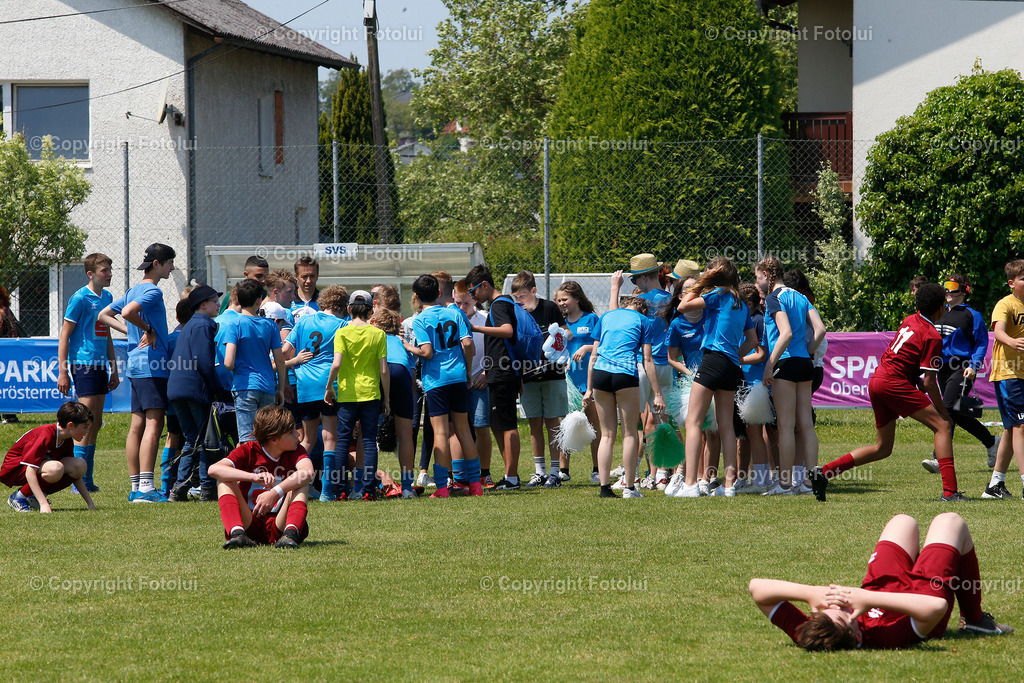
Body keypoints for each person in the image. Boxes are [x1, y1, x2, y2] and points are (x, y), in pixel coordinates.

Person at [749, 513, 1012, 650]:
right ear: (858, 635)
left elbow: (757, 587)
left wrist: (810, 593)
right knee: (950, 521)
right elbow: (935, 608)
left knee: (903, 522)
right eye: (844, 614)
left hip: (878, 585)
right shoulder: (884, 636)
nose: (839, 605)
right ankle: (976, 621)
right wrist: (867, 599)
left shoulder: (813, 632)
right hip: (921, 596)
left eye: (827, 607)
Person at [812, 283, 963, 502]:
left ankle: (824, 472)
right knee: (943, 427)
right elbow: (930, 383)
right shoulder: (932, 336)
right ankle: (950, 493)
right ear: (941, 308)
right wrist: (944, 413)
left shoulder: (911, 320)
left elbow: (906, 361)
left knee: (882, 448)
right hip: (893, 383)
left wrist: (916, 383)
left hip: (877, 380)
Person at [98, 242, 176, 503]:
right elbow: (130, 312)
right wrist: (148, 329)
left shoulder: (132, 290)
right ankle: (145, 488)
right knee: (155, 423)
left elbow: (104, 315)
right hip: (152, 364)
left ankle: (136, 488)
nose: (172, 267)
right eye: (169, 263)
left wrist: (132, 332)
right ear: (157, 264)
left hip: (135, 362)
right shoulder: (152, 291)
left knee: (137, 424)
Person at [675, 258, 759, 498]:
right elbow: (752, 341)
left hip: (712, 361)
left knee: (693, 423)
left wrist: (700, 282)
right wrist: (736, 354)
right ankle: (729, 486)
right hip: (732, 366)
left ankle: (690, 484)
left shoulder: (717, 295)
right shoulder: (741, 303)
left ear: (717, 275)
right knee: (726, 427)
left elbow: (683, 306)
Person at [756, 256, 826, 495]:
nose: (758, 284)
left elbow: (784, 333)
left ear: (767, 274)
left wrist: (769, 365)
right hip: (804, 364)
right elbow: (820, 330)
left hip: (784, 365)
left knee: (786, 426)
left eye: (758, 277)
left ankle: (785, 484)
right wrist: (807, 352)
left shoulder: (775, 298)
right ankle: (809, 482)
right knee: (806, 425)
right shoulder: (800, 296)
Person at [407, 274, 481, 498]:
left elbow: (427, 352)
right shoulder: (455, 313)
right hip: (458, 377)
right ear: (440, 293)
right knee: (464, 430)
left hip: (436, 381)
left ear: (417, 297)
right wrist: (467, 370)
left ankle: (441, 488)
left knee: (440, 432)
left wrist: (408, 347)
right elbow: (468, 344)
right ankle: (476, 486)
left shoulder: (419, 319)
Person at [583, 296, 665, 498]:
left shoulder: (607, 316)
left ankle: (604, 488)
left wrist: (588, 389)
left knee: (607, 434)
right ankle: (629, 488)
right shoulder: (643, 321)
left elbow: (593, 355)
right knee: (629, 434)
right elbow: (647, 359)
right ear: (643, 311)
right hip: (625, 374)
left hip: (601, 375)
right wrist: (657, 394)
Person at [921, 274, 999, 475]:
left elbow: (982, 343)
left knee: (945, 409)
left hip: (961, 367)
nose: (947, 291)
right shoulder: (939, 313)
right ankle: (991, 442)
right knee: (955, 412)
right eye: (945, 287)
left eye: (952, 287)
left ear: (964, 291)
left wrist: (974, 365)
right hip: (941, 368)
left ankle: (939, 459)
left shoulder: (972, 315)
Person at [57, 253, 122, 492]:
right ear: (90, 274)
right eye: (105, 270)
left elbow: (106, 336)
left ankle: (88, 477)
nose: (110, 274)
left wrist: (114, 369)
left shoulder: (108, 297)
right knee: (83, 421)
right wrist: (63, 371)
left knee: (95, 422)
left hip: (100, 365)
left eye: (110, 269)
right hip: (82, 364)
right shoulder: (80, 298)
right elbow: (64, 336)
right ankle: (77, 480)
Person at [609, 254, 674, 489]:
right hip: (667, 365)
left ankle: (631, 476)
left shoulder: (640, 303)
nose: (636, 285)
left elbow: (615, 319)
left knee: (632, 426)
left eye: (636, 280)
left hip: (644, 365)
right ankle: (662, 475)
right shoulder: (671, 299)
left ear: (645, 278)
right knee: (662, 423)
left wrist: (615, 289)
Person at [209, 405, 314, 549]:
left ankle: (290, 534)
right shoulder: (249, 449)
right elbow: (214, 469)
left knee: (302, 481)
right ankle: (237, 534)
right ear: (274, 439)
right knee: (224, 479)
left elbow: (307, 472)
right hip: (250, 522)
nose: (297, 435)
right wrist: (253, 477)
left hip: (280, 523)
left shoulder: (295, 450)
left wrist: (274, 493)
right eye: (291, 432)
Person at [282, 285, 347, 500]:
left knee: (307, 440)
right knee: (330, 437)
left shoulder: (303, 321)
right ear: (343, 306)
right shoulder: (342, 325)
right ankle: (327, 491)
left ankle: (288, 481)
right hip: (330, 386)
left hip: (305, 385)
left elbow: (284, 351)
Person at [324, 290, 390, 500]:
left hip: (347, 395)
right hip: (371, 393)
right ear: (371, 310)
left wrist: (329, 387)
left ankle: (341, 489)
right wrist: (386, 398)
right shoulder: (378, 334)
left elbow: (336, 364)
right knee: (369, 441)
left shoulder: (342, 333)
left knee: (343, 441)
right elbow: (384, 370)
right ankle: (369, 490)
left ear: (349, 309)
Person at [512, 271, 570, 489]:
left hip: (553, 374)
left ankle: (555, 472)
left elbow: (567, 333)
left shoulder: (549, 308)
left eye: (523, 296)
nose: (519, 301)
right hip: (528, 376)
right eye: (516, 297)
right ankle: (539, 472)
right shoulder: (516, 312)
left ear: (534, 291)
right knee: (534, 422)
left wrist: (559, 340)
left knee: (553, 423)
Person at [467, 265, 523, 491]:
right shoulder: (505, 303)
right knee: (498, 425)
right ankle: (510, 476)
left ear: (485, 285)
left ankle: (512, 478)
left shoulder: (499, 305)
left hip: (502, 370)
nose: (473, 297)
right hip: (503, 370)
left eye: (473, 292)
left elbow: (508, 331)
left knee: (507, 425)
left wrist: (477, 328)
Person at [166, 285, 222, 501]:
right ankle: (207, 489)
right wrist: (218, 389)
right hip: (194, 389)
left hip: (177, 388)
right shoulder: (203, 324)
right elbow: (204, 362)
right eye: (214, 301)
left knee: (191, 439)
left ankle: (179, 488)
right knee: (207, 440)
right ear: (202, 305)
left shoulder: (189, 324)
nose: (218, 304)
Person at [223, 279, 291, 443]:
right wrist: (280, 389)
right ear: (258, 300)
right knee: (266, 437)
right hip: (267, 387)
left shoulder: (235, 324)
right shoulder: (270, 325)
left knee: (247, 439)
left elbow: (228, 362)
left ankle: (248, 469)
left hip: (244, 386)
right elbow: (280, 361)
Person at [981, 260, 1024, 500]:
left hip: (1022, 373)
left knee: (1010, 429)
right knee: (1021, 426)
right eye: (1023, 278)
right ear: (1011, 283)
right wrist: (1011, 341)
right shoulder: (1005, 303)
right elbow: (998, 330)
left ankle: (995, 485)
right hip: (1009, 372)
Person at [3, 401, 95, 513]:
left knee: (79, 465)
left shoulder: (66, 439)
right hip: (16, 470)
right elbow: (30, 470)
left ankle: (33, 498)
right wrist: (43, 503)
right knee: (55, 468)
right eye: (85, 427)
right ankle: (18, 498)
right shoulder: (45, 434)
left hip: (34, 470)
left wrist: (90, 503)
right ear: (70, 425)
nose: (87, 431)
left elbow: (75, 475)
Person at [554, 281, 600, 484]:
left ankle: (597, 469)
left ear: (577, 299)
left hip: (590, 381)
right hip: (568, 382)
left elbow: (602, 345)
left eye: (564, 299)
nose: (561, 303)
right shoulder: (560, 324)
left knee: (594, 425)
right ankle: (564, 470)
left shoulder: (591, 319)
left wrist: (586, 348)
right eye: (558, 300)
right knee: (565, 425)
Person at [454, 279, 494, 487]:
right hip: (457, 381)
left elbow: (495, 352)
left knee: (481, 426)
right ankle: (459, 475)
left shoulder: (486, 320)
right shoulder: (450, 319)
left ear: (475, 300)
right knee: (457, 428)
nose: (461, 308)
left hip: (478, 381)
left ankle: (483, 473)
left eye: (466, 304)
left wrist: (486, 373)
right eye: (458, 303)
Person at [374, 308, 418, 497]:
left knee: (368, 434)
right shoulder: (400, 341)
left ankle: (367, 484)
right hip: (401, 371)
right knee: (405, 434)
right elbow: (413, 373)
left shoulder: (374, 338)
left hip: (379, 369)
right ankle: (407, 486)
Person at [290, 255, 321, 321]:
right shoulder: (288, 301)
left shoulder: (325, 302)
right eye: (304, 276)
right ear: (296, 276)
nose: (308, 281)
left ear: (317, 276)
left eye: (312, 276)